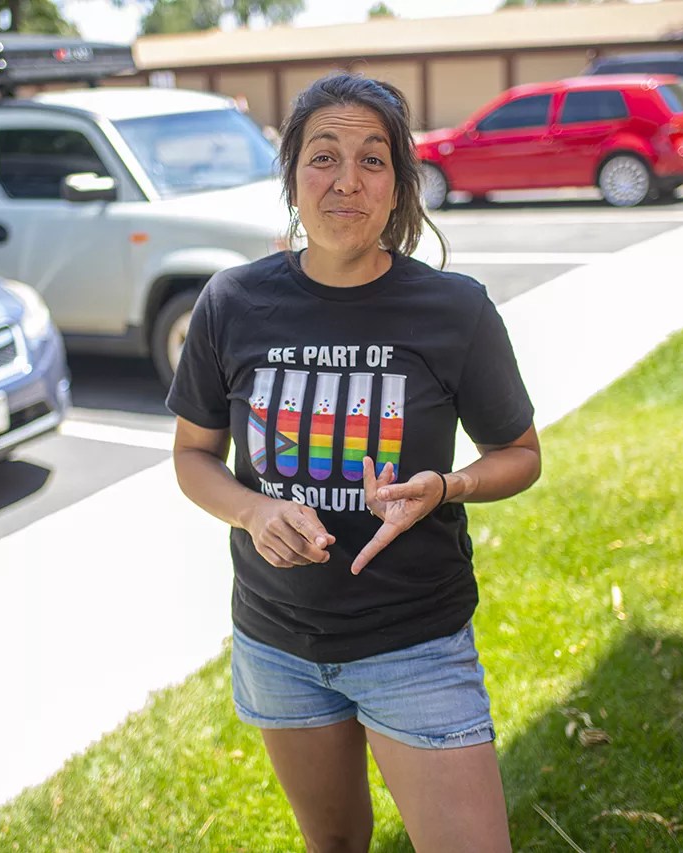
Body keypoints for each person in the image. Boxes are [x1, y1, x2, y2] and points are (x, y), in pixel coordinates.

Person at [167, 72, 541, 853]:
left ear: (399, 185)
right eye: (323, 156)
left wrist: (447, 486)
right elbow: (194, 456)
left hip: (416, 642)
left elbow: (520, 454)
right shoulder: (231, 303)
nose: (346, 180)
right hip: (277, 643)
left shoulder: (455, 309)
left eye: (373, 159)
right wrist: (253, 509)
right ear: (292, 177)